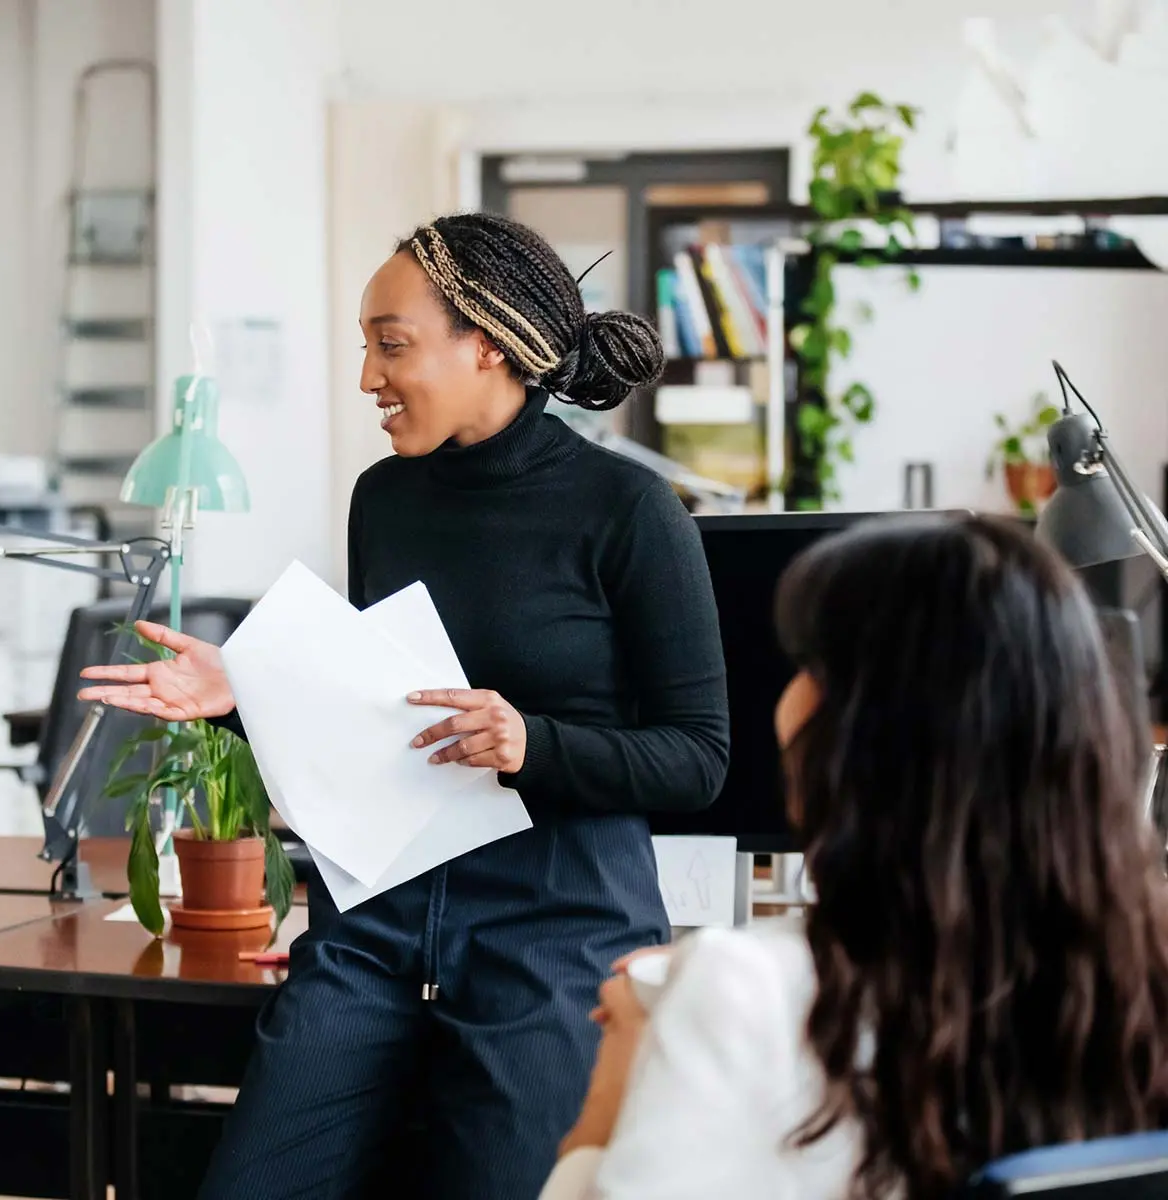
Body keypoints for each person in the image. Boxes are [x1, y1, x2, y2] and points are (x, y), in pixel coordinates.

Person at [79, 212, 729, 1199]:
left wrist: (529, 742)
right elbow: (377, 712)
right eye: (365, 347)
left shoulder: (627, 511)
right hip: (379, 919)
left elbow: (698, 758)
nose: (368, 378)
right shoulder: (384, 497)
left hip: (553, 922)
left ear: (490, 344)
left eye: (392, 345)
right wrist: (239, 694)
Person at [541, 513, 1168, 1200]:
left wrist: (607, 1106)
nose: (786, 699)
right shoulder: (1136, 972)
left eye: (810, 669)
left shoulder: (748, 989)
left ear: (871, 733)